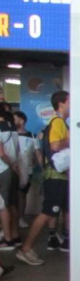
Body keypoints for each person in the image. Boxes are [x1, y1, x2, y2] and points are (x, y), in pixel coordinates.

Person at [16, 91, 70, 265]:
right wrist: (71, 140)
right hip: (55, 176)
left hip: (59, 176)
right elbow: (55, 145)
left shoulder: (59, 123)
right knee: (47, 212)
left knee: (58, 210)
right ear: (61, 104)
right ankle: (26, 248)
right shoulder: (58, 122)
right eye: (70, 102)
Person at [13, 111, 38, 229]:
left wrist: (35, 162)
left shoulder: (32, 135)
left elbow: (37, 153)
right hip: (12, 168)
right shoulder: (10, 135)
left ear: (22, 120)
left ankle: (21, 218)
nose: (13, 121)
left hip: (27, 170)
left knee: (22, 195)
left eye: (15, 119)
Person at [0, 105, 20, 251]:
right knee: (12, 204)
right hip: (12, 169)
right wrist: (13, 165)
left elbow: (1, 154)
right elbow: (17, 149)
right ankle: (15, 235)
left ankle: (7, 239)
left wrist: (10, 164)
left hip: (3, 169)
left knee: (3, 206)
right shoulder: (12, 128)